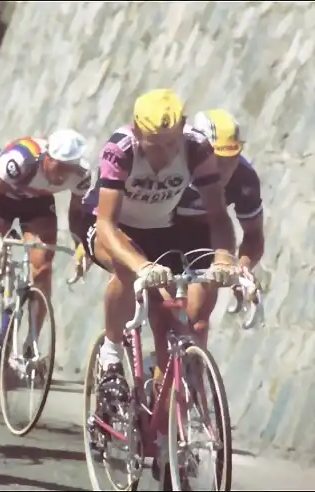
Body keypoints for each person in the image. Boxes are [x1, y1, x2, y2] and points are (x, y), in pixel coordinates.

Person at [77, 88, 238, 465]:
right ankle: (112, 350)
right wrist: (142, 266)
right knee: (127, 269)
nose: (164, 154)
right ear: (136, 130)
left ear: (183, 129)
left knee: (170, 324)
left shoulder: (197, 149)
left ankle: (167, 434)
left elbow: (217, 217)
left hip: (161, 229)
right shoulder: (121, 150)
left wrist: (225, 257)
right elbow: (107, 224)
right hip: (108, 228)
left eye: (170, 144)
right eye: (154, 145)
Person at [0, 129, 92, 355]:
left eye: (70, 168)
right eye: (60, 166)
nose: (64, 175)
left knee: (43, 268)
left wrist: (81, 246)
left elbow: (77, 214)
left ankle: (32, 341)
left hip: (38, 204)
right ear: (48, 157)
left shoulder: (81, 174)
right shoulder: (22, 160)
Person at [175, 109, 264, 346]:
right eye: (219, 159)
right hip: (157, 227)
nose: (226, 168)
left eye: (233, 158)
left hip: (202, 236)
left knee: (196, 322)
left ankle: (191, 378)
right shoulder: (175, 163)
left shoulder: (244, 178)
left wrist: (241, 270)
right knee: (162, 310)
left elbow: (253, 235)